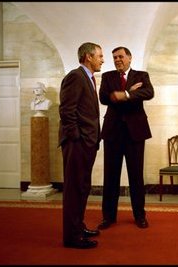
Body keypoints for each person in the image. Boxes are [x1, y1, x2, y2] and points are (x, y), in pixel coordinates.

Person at [97, 46, 154, 230]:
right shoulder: (107, 77)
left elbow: (149, 93)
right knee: (110, 176)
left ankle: (140, 216)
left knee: (136, 176)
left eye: (121, 56)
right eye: (114, 57)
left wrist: (127, 94)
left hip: (135, 133)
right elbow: (105, 98)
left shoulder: (141, 76)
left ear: (129, 58)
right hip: (113, 132)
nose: (117, 60)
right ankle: (108, 217)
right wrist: (125, 94)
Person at [58, 42, 104, 249]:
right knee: (74, 189)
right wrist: (76, 137)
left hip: (88, 142)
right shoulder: (75, 76)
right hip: (77, 143)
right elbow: (67, 110)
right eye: (100, 56)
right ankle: (71, 237)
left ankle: (79, 226)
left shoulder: (89, 78)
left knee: (82, 187)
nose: (102, 60)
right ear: (88, 57)